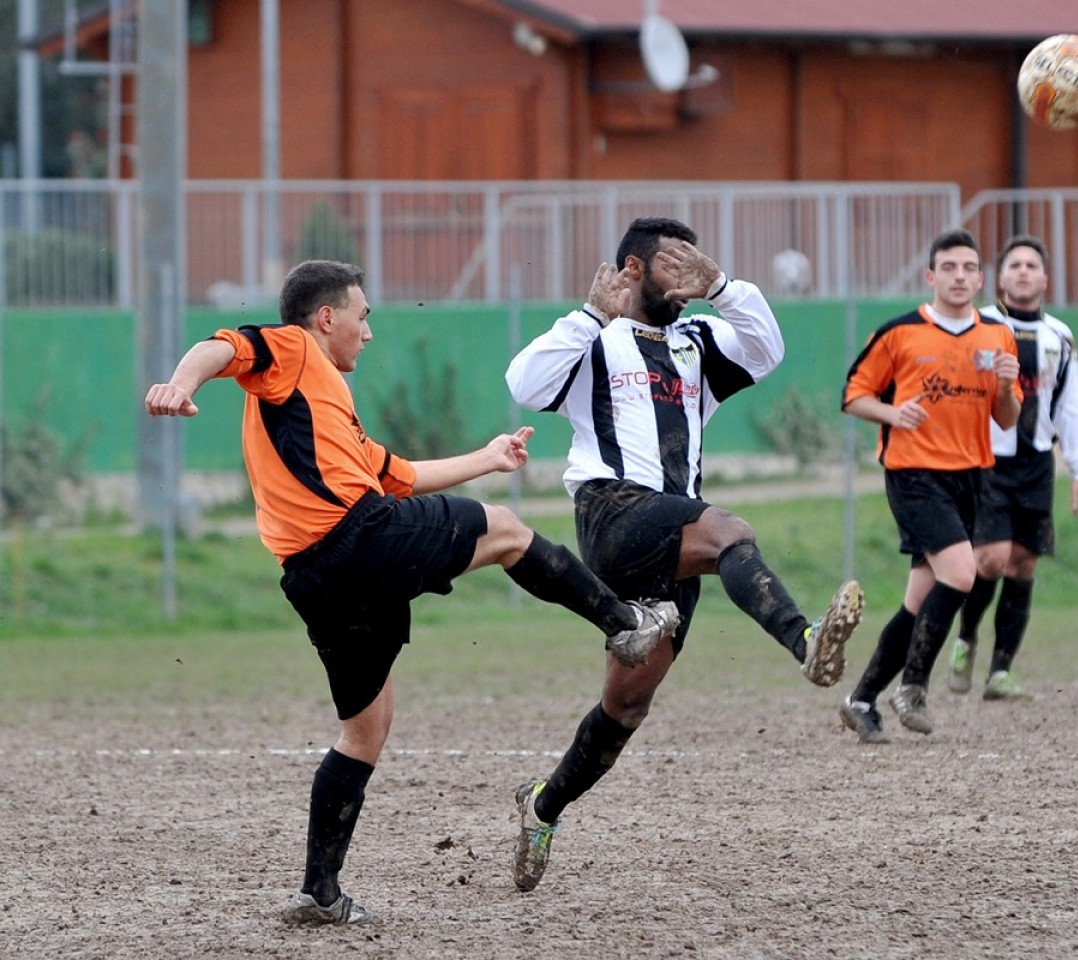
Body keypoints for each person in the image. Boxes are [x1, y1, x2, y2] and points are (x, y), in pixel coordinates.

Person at [143, 259, 678, 926]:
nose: (368, 332)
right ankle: (625, 621)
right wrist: (179, 382)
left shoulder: (327, 410)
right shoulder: (293, 347)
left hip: (313, 576)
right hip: (359, 540)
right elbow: (221, 348)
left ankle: (319, 891)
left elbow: (396, 474)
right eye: (362, 317)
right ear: (327, 318)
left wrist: (488, 459)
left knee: (364, 731)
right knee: (507, 531)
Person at [504, 216, 865, 891]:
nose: (685, 280)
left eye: (691, 265)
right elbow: (524, 383)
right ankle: (807, 643)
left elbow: (767, 348)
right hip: (612, 514)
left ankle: (541, 806)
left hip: (673, 535)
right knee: (730, 530)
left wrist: (723, 287)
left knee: (626, 708)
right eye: (672, 266)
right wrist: (587, 314)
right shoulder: (596, 339)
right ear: (633, 271)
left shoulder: (696, 342)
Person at [836, 229, 1022, 743]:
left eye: (968, 268)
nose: (959, 276)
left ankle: (861, 699)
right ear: (931, 276)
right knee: (961, 574)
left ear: (981, 279)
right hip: (914, 472)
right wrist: (895, 412)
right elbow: (854, 396)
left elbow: (1006, 419)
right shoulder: (900, 333)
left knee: (919, 600)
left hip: (970, 477)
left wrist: (1006, 385)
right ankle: (912, 686)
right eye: (949, 267)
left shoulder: (997, 338)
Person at [948, 235, 1078, 701]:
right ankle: (966, 638)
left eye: (1032, 265)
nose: (1024, 271)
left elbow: (1069, 406)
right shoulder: (977, 327)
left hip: (1036, 462)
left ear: (1045, 279)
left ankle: (1000, 673)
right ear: (1000, 278)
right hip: (986, 460)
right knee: (990, 558)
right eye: (1015, 265)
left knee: (1024, 562)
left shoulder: (1060, 336)